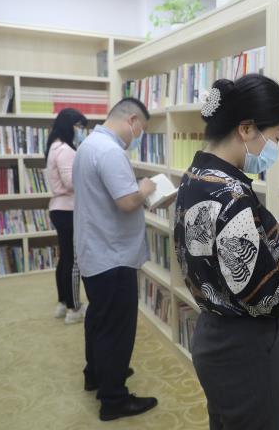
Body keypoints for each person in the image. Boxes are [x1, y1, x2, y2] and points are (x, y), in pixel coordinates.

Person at [174, 74, 279, 430]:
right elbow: (268, 299)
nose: (276, 148)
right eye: (277, 137)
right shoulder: (233, 194)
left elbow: (212, 243)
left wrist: (272, 229)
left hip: (212, 335)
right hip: (246, 349)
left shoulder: (196, 176)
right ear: (247, 128)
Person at [73, 97, 158, 421]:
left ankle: (96, 374)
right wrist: (145, 188)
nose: (138, 136)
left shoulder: (89, 145)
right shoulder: (110, 151)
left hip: (96, 252)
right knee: (117, 329)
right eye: (141, 129)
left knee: (98, 320)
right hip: (113, 256)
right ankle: (114, 399)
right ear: (132, 120)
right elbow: (126, 202)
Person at [45, 108, 88, 324]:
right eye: (79, 126)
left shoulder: (54, 147)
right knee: (73, 262)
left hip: (59, 208)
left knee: (65, 259)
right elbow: (71, 182)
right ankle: (74, 308)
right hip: (68, 209)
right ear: (69, 126)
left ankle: (63, 303)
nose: (81, 130)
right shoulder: (65, 150)